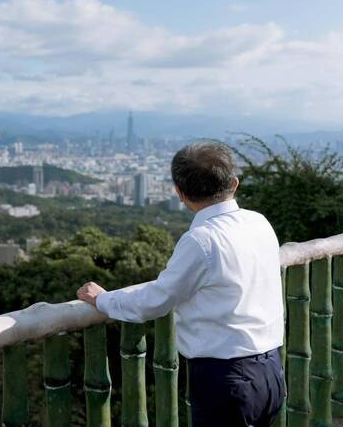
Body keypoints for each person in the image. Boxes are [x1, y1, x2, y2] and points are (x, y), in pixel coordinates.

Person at [77, 141, 285, 427]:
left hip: (225, 377)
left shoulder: (201, 241)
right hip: (271, 369)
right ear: (234, 183)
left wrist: (103, 299)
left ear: (180, 193)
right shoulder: (259, 222)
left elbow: (157, 300)